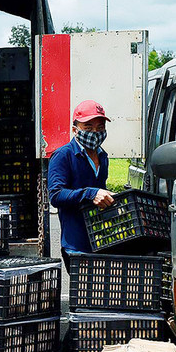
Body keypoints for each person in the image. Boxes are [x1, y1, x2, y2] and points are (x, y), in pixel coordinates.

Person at [48, 100, 114, 270]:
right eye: (88, 127)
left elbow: (99, 192)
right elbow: (56, 195)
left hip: (99, 242)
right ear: (74, 129)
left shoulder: (103, 157)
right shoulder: (63, 156)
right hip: (75, 244)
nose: (95, 132)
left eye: (100, 128)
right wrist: (91, 194)